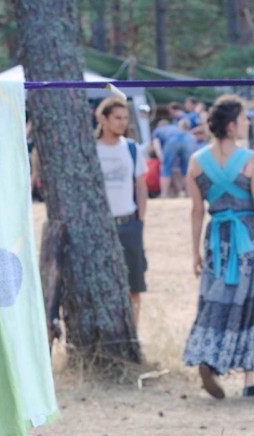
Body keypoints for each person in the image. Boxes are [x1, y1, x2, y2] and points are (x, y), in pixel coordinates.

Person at [184, 95, 254, 399]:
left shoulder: (196, 161)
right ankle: (249, 380)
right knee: (253, 301)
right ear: (232, 126)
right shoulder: (250, 159)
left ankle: (210, 360)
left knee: (215, 298)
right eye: (245, 118)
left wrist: (195, 252)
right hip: (250, 239)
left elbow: (197, 210)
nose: (248, 123)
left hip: (217, 239)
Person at [94, 95, 149, 330]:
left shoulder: (131, 148)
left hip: (128, 223)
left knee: (134, 284)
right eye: (117, 118)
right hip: (100, 226)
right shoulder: (92, 149)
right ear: (103, 119)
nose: (122, 123)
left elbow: (141, 185)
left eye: (125, 118)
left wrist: (140, 220)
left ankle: (132, 333)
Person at [153, 113, 193, 198]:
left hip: (172, 141)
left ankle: (164, 194)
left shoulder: (157, 130)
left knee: (166, 169)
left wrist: (162, 158)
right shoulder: (175, 127)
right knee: (186, 169)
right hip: (186, 140)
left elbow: (157, 146)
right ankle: (188, 193)